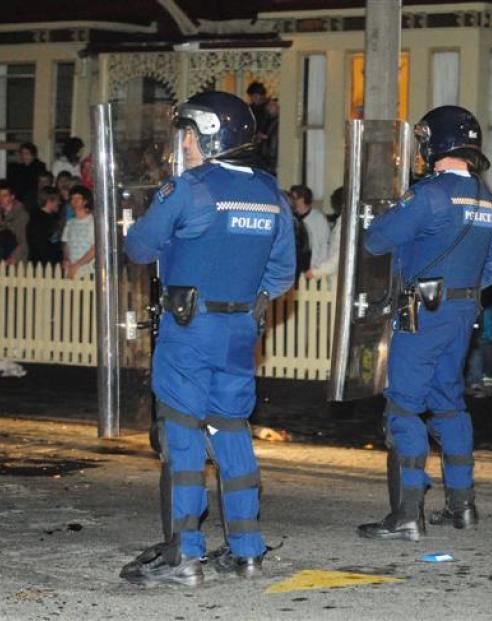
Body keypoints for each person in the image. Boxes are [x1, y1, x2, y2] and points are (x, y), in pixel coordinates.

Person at [120, 91, 296, 587]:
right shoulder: (269, 191)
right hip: (241, 329)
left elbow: (138, 247)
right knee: (231, 429)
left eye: (189, 135)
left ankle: (185, 556)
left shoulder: (190, 188)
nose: (185, 143)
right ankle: (246, 550)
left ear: (208, 136)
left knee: (182, 434)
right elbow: (282, 275)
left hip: (190, 328)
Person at [357, 105, 492, 541]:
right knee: (449, 403)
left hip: (423, 312)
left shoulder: (429, 194)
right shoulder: (485, 198)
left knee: (403, 405)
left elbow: (376, 238)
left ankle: (405, 515)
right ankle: (462, 506)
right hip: (462, 312)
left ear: (433, 144)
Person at [289, 184, 331, 281]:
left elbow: (324, 245)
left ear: (302, 199)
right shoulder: (292, 218)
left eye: (294, 198)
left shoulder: (319, 219)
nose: (291, 201)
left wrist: (317, 269)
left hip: (312, 269)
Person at [61, 186, 95, 279]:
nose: (74, 201)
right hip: (71, 270)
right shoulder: (70, 223)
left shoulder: (92, 222)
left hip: (88, 272)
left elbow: (95, 249)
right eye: (72, 198)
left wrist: (77, 265)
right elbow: (66, 244)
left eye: (78, 198)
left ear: (85, 201)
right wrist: (66, 259)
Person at [27, 186, 63, 266]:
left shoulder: (34, 218)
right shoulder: (46, 221)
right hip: (46, 265)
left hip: (36, 263)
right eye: (57, 200)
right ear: (50, 201)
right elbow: (49, 245)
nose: (59, 203)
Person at [0, 180, 29, 265]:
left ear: (12, 197)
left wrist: (13, 258)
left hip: (15, 262)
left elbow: (23, 242)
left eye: (4, 196)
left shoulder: (21, 215)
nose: (1, 199)